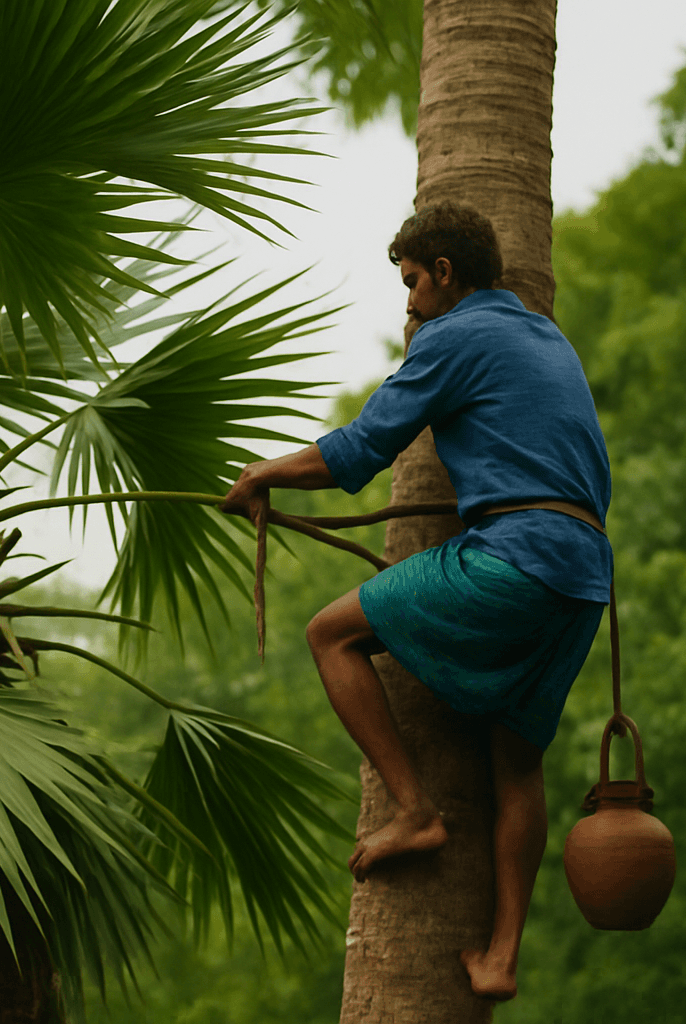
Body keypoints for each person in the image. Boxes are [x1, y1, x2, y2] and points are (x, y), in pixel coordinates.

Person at [222, 201, 612, 1002]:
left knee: (331, 634)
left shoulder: (455, 334)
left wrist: (263, 474)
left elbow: (360, 450)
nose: (407, 304)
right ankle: (502, 955)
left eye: (411, 283)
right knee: (516, 761)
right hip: (583, 578)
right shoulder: (545, 335)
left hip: (516, 555)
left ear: (444, 273)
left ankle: (414, 809)